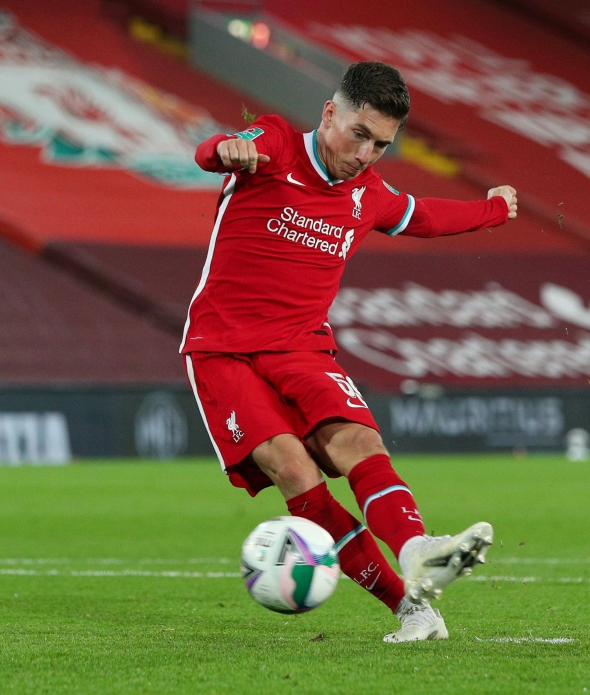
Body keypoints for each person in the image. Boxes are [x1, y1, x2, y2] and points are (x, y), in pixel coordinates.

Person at [183, 61, 518, 642]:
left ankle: (419, 552)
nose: (366, 155)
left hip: (302, 347)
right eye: (359, 135)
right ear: (330, 114)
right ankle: (406, 608)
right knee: (294, 468)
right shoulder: (276, 145)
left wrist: (494, 208)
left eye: (381, 146)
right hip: (223, 348)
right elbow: (213, 151)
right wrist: (228, 151)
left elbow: (429, 217)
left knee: (359, 442)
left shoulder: (368, 195)